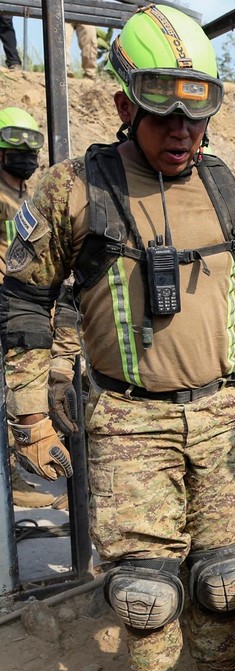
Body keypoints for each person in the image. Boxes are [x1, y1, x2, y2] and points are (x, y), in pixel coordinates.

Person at [0, 3, 235, 671]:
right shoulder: (74, 191)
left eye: (198, 117)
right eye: (164, 116)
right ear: (124, 103)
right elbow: (23, 300)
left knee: (225, 575)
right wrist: (29, 413)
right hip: (128, 418)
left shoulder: (233, 193)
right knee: (145, 587)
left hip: (223, 414)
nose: (184, 135)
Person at [0, 106, 55, 508]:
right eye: (15, 147)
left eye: (30, 147)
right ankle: (10, 484)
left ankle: (15, 478)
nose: (26, 156)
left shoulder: (25, 196)